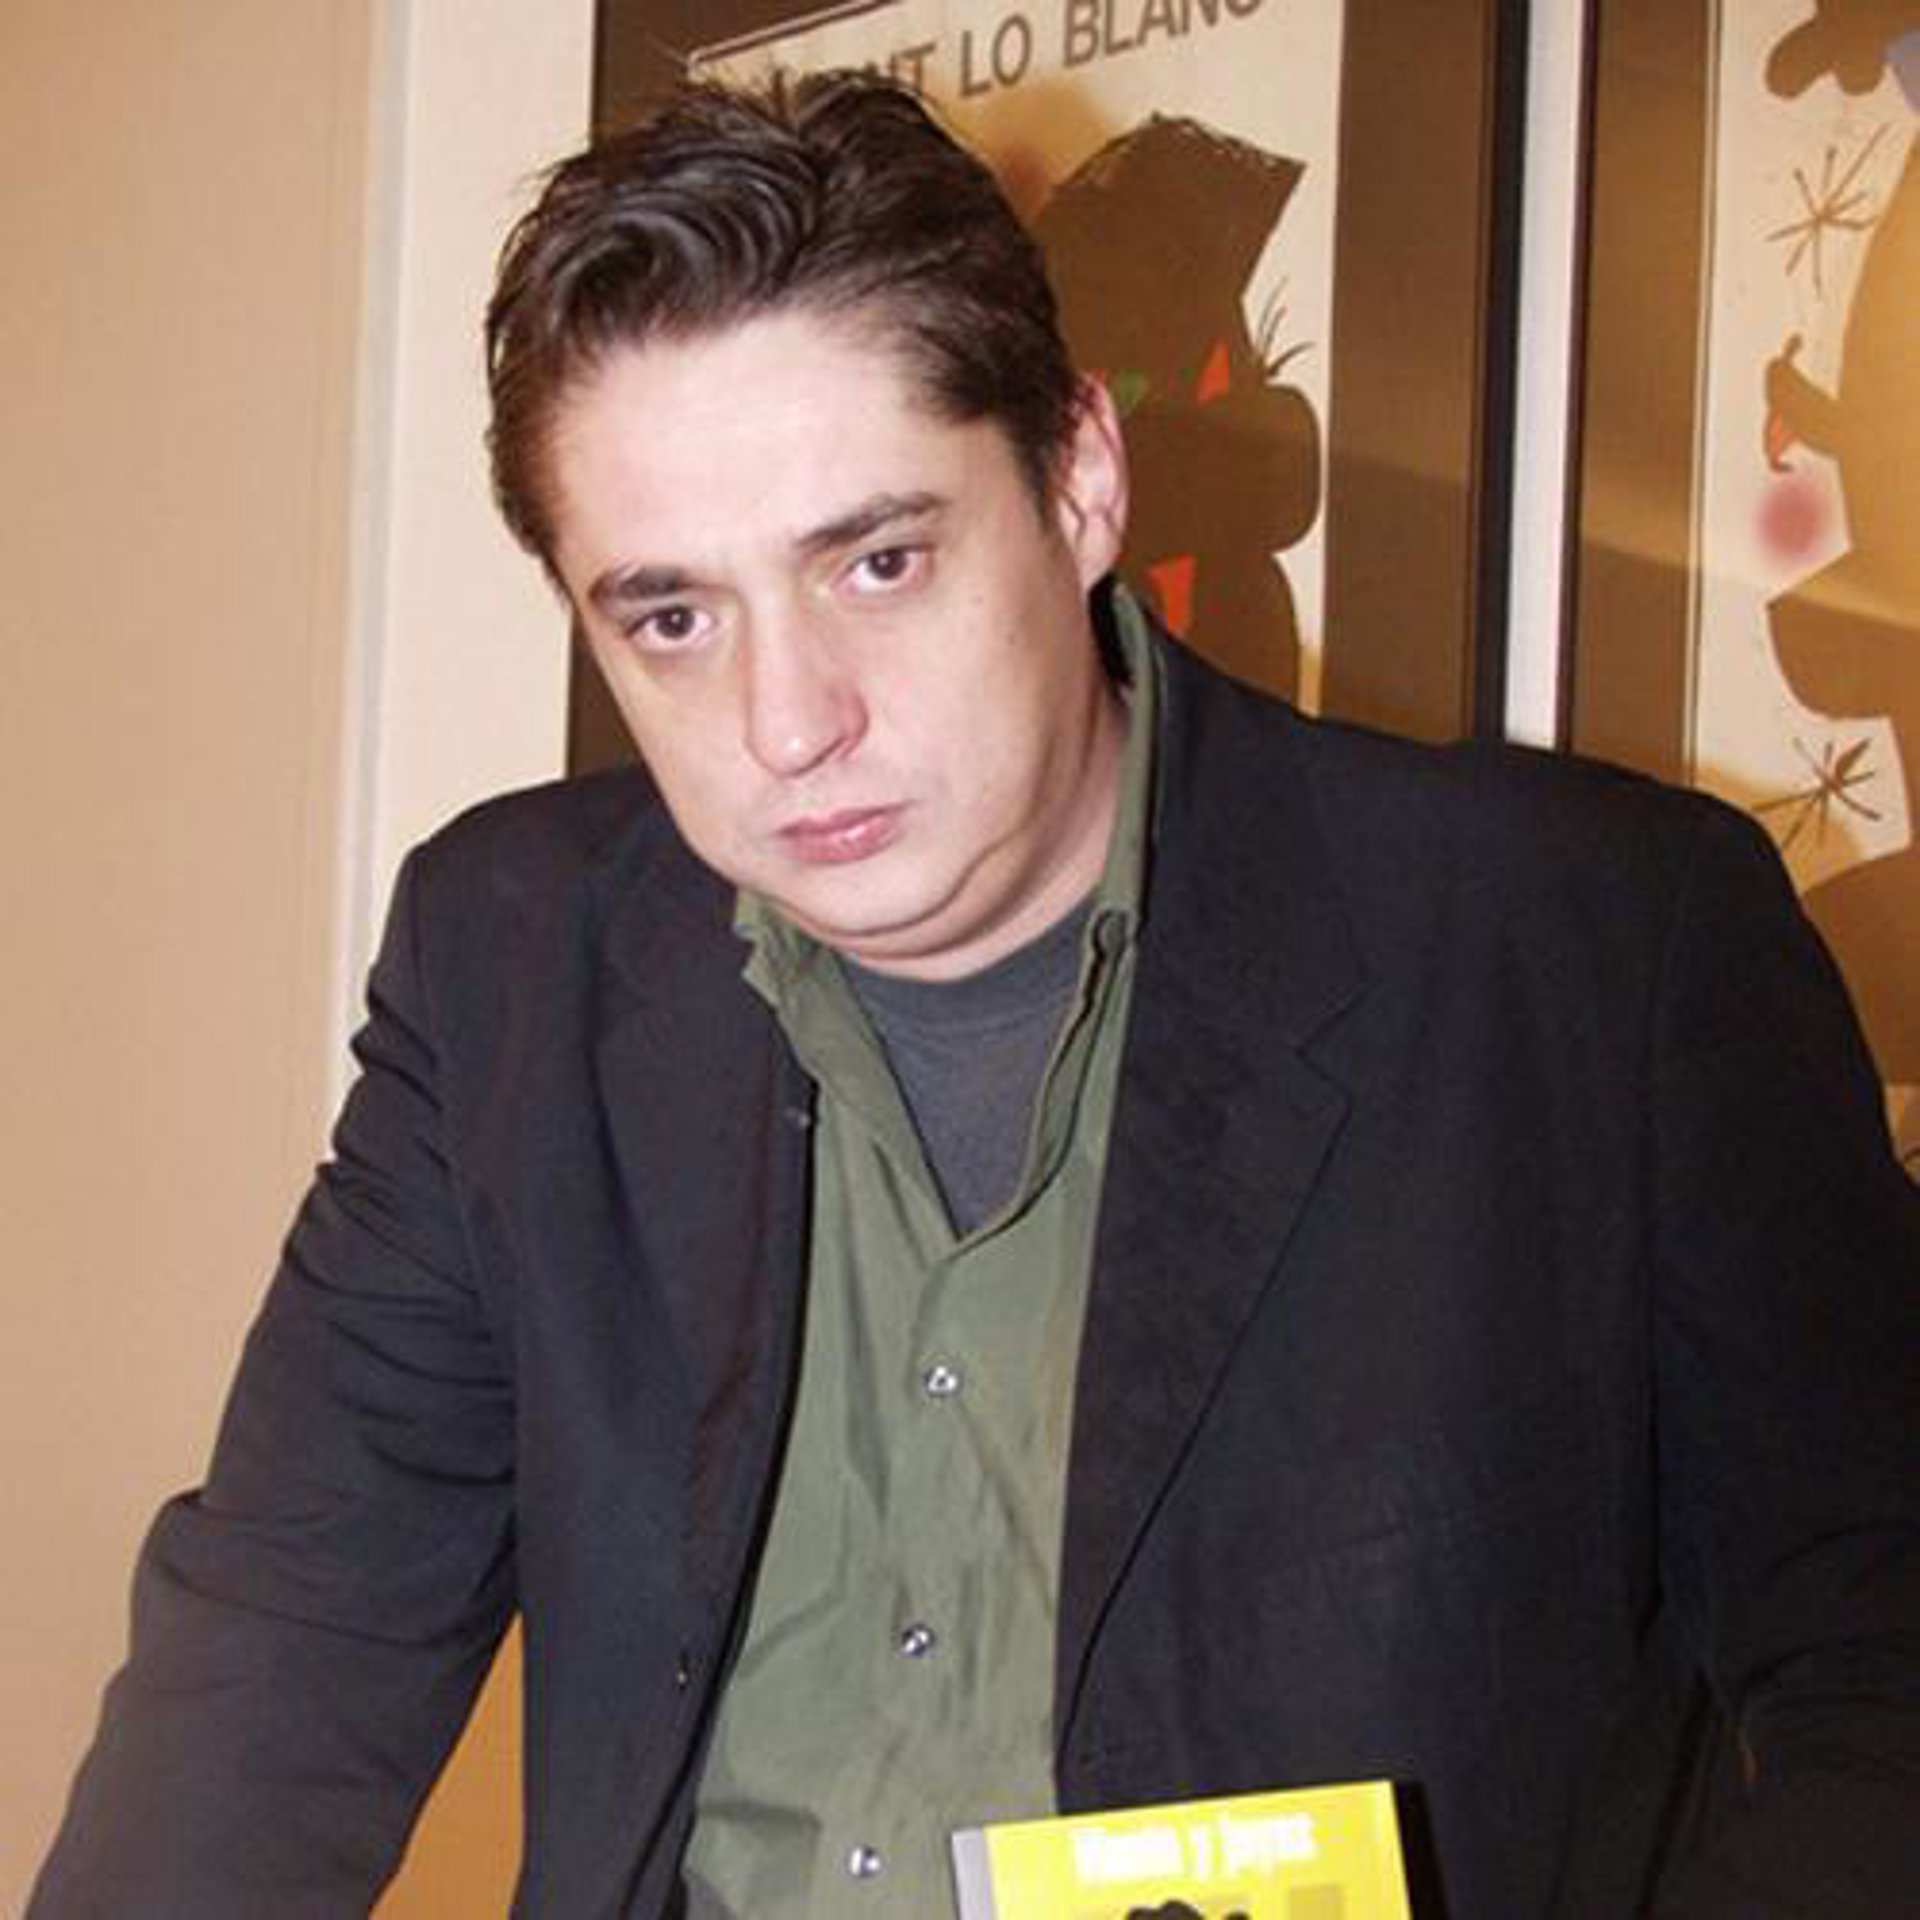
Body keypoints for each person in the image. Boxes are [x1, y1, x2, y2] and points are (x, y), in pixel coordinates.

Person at [33, 71, 1917, 1919]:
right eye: (673, 618)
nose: (787, 721)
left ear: (1080, 479)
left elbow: (1884, 1687)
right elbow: (286, 1645)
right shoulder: (506, 961)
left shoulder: (1596, 950)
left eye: (877, 561)